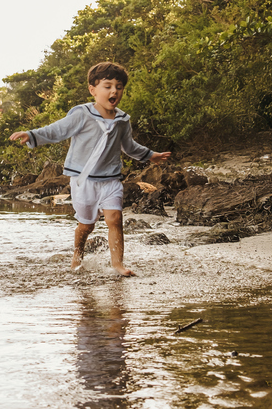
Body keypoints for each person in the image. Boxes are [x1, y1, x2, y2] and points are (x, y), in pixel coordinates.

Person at [10, 62, 170, 276]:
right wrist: (31, 135)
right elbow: (57, 130)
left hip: (111, 180)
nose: (114, 91)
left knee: (115, 219)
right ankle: (77, 255)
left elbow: (129, 146)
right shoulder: (82, 114)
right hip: (83, 180)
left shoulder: (122, 120)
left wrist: (151, 155)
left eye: (119, 87)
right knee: (86, 226)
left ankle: (118, 265)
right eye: (107, 86)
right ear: (93, 90)